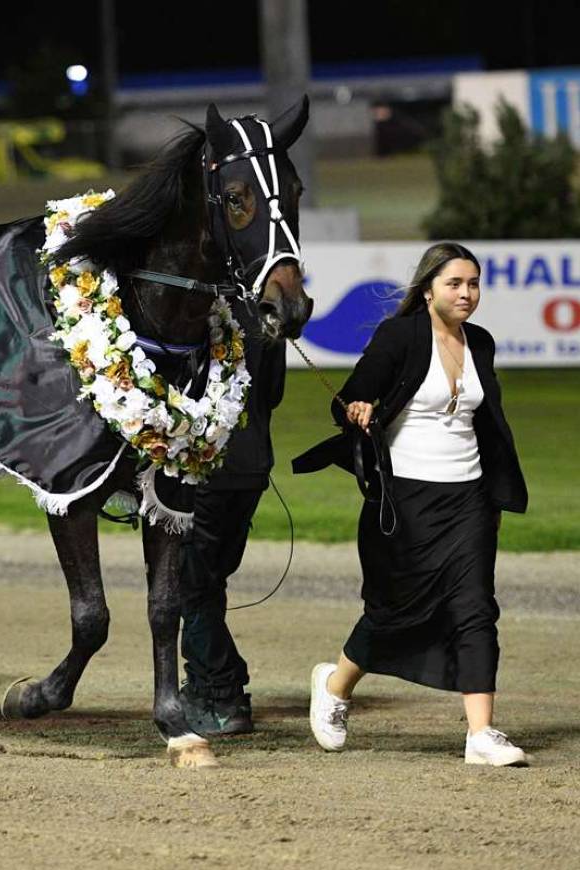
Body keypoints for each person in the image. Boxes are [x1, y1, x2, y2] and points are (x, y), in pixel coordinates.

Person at [293, 242, 529, 766]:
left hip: (469, 498)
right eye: (454, 284)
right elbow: (350, 397)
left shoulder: (481, 344)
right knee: (395, 610)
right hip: (405, 500)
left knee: (475, 607)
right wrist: (355, 407)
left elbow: (485, 421)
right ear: (428, 290)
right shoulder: (398, 336)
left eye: (473, 284)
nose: (466, 293)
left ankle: (481, 734)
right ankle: (334, 684)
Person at [178, 301, 286, 736]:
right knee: (209, 581)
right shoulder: (264, 310)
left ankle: (223, 691)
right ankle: (206, 684)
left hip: (205, 469)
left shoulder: (195, 311)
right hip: (253, 467)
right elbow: (274, 391)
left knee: (192, 583)